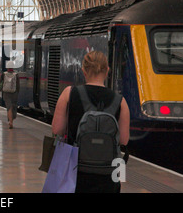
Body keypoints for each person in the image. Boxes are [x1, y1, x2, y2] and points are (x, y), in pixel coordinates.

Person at [51, 51, 130, 193]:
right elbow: (123, 140)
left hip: (75, 170)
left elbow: (57, 130)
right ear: (107, 70)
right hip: (108, 171)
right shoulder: (120, 101)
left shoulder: (69, 93)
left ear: (84, 70)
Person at [0, 61, 20, 129]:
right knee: (13, 107)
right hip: (14, 93)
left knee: (9, 107)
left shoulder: (4, 74)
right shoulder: (16, 74)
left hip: (6, 93)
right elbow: (18, 85)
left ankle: (10, 122)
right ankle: (12, 121)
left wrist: (1, 88)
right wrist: (17, 92)